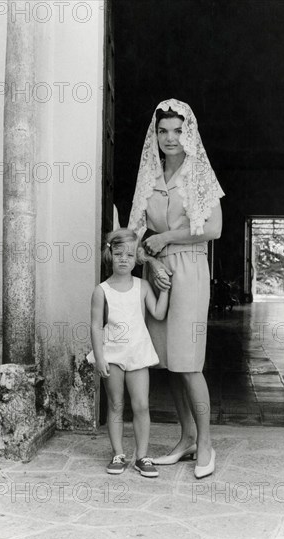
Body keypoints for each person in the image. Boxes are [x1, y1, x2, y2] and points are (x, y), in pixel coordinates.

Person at [129, 98, 224, 479]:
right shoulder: (149, 178)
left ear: (190, 134)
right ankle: (185, 438)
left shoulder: (199, 174)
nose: (170, 138)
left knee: (189, 362)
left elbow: (214, 229)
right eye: (163, 131)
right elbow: (134, 236)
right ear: (155, 135)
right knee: (168, 361)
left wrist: (165, 236)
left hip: (190, 269)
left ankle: (206, 444)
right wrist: (150, 260)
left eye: (178, 131)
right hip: (159, 270)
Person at [86, 228, 169, 477]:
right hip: (112, 355)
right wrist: (99, 357)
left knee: (141, 405)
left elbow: (158, 313)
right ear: (110, 255)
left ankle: (142, 456)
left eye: (130, 255)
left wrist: (164, 289)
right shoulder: (102, 290)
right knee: (115, 404)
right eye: (119, 254)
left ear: (136, 258)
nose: (124, 259)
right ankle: (118, 454)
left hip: (137, 353)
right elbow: (95, 325)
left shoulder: (142, 286)